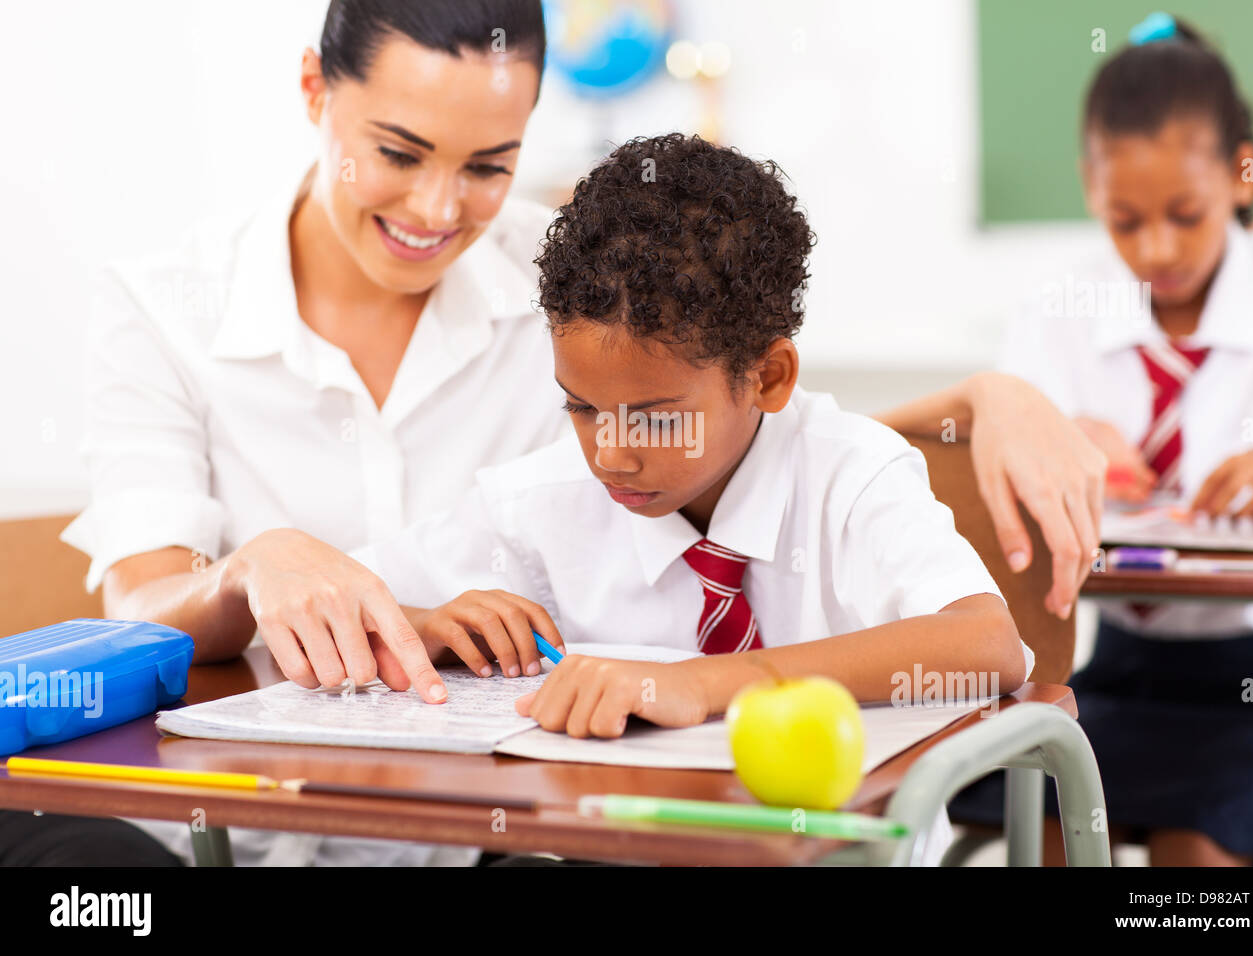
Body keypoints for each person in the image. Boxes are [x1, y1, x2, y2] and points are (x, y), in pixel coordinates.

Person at [18, 1, 1104, 867]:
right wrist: (374, 604)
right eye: (399, 151)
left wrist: (983, 397)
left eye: (489, 164)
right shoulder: (176, 311)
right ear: (314, 91)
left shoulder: (590, 277)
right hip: (271, 823)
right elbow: (171, 616)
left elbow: (769, 437)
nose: (440, 209)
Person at [349, 131, 1031, 863]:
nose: (610, 453)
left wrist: (701, 684)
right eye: (580, 408)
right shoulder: (538, 502)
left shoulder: (851, 475)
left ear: (768, 377)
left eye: (655, 417)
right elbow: (340, 602)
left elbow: (987, 645)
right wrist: (425, 624)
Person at [969, 15, 1253, 865]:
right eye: (1125, 221)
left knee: (1200, 840)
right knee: (1041, 813)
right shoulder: (1058, 313)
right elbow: (990, 478)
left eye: (1185, 216)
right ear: (1089, 187)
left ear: (1240, 173)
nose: (1156, 249)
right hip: (1117, 664)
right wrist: (1054, 447)